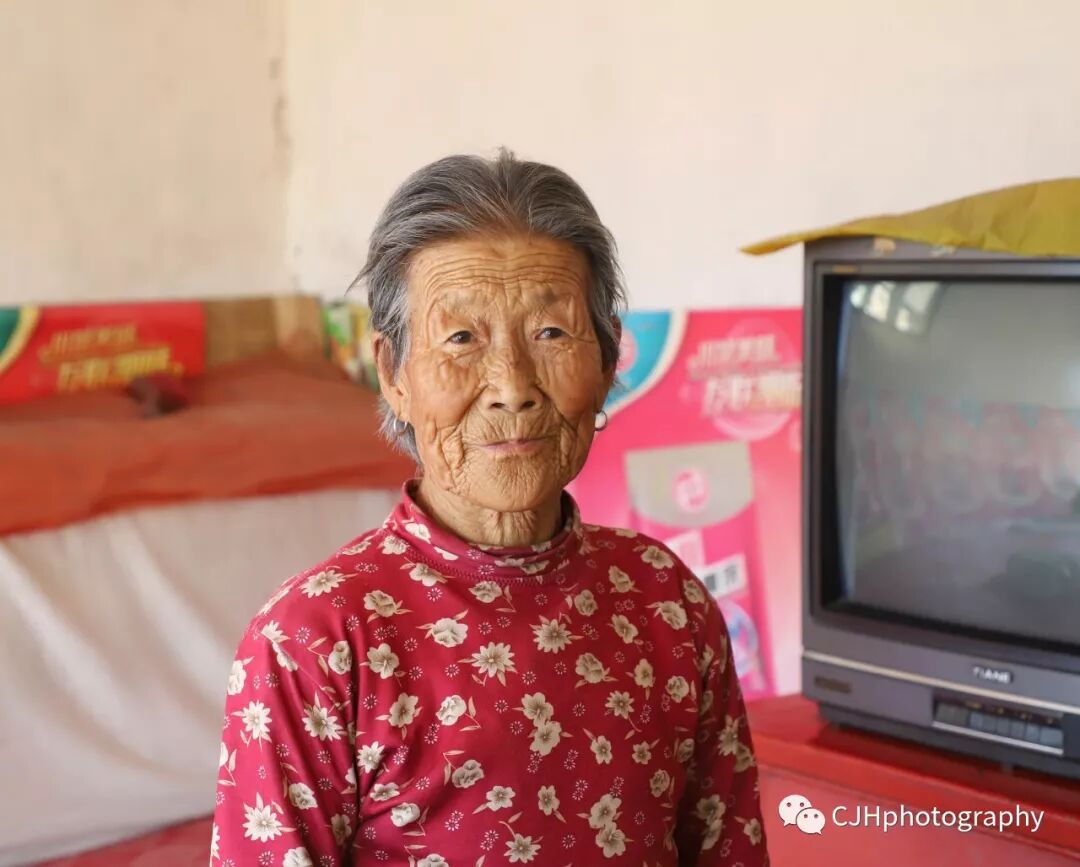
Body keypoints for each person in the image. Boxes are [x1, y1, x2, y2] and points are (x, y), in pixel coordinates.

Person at [211, 149, 769, 866]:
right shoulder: (314, 641)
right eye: (461, 339)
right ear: (394, 374)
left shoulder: (666, 599)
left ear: (607, 361)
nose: (512, 387)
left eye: (551, 333)